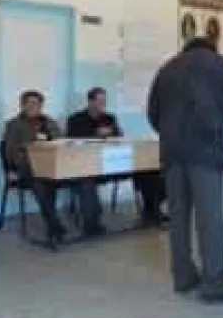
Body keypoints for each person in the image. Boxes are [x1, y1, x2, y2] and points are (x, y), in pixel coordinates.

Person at [147, 37, 223, 304]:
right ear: (212, 49)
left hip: (172, 154)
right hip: (206, 152)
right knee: (210, 219)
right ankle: (213, 284)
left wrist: (170, 134)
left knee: (178, 217)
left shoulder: (167, 69)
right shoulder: (221, 66)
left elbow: (153, 114)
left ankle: (183, 277)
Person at [67, 87, 166, 226]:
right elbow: (72, 143)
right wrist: (95, 134)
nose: (102, 105)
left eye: (104, 101)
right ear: (90, 102)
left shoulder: (109, 118)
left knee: (152, 173)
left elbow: (120, 138)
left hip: (113, 162)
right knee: (86, 183)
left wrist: (112, 135)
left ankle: (152, 211)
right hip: (89, 166)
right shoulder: (75, 119)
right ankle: (92, 223)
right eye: (99, 101)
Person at [3, 90, 67, 245]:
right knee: (41, 182)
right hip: (26, 166)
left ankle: (53, 223)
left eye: (37, 104)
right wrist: (15, 164)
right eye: (30, 103)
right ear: (22, 105)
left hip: (51, 165)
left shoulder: (49, 122)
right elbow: (9, 151)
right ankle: (54, 224)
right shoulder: (14, 124)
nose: (34, 107)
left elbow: (61, 142)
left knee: (50, 180)